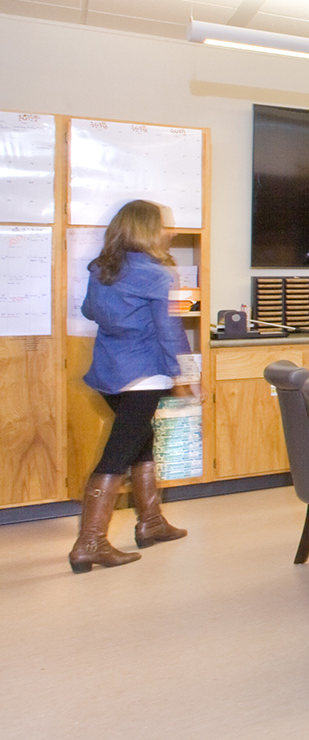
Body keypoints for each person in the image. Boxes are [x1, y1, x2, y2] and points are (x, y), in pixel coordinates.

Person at [70, 199, 191, 573]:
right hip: (144, 373)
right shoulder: (157, 274)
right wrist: (187, 375)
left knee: (141, 441)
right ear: (147, 230)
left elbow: (89, 311)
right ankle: (90, 542)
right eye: (163, 225)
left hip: (108, 371)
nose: (169, 231)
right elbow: (171, 332)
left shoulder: (101, 268)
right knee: (118, 453)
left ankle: (151, 522)